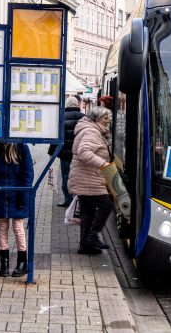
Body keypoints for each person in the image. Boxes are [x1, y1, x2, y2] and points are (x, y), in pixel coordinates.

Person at [0, 142, 34, 277]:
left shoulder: (21, 147)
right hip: (0, 194)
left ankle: (22, 262)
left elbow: (28, 174)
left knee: (18, 227)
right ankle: (4, 263)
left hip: (17, 194)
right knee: (2, 227)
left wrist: (24, 196)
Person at [68, 106, 113, 255]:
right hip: (89, 179)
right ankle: (92, 236)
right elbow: (84, 152)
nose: (108, 121)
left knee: (88, 212)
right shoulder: (92, 132)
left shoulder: (90, 129)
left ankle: (85, 245)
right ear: (96, 119)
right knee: (106, 205)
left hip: (84, 178)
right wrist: (103, 164)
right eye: (106, 118)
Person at [48, 96, 85, 207]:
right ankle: (79, 200)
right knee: (80, 176)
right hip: (80, 153)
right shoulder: (84, 118)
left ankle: (68, 199)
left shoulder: (61, 117)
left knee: (66, 176)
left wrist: (52, 151)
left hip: (65, 154)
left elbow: (56, 136)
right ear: (77, 104)